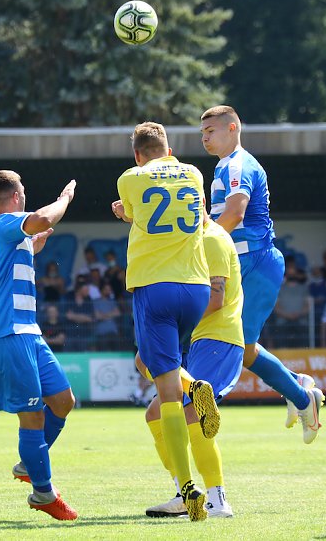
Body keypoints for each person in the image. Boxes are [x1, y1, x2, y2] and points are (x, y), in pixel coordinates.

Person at [200, 105, 323, 443]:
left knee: (228, 340)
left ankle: (298, 393)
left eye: (211, 131)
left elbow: (236, 213)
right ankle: (299, 390)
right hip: (245, 262)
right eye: (202, 133)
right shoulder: (225, 167)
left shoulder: (238, 164)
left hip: (252, 260)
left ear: (233, 128)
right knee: (245, 347)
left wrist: (200, 244)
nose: (205, 138)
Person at [112, 121, 213, 520]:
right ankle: (196, 384)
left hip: (155, 288)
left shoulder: (130, 179)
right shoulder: (193, 172)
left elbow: (140, 215)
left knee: (166, 391)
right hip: (196, 287)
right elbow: (193, 217)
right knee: (149, 361)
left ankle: (187, 487)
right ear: (168, 149)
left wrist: (125, 215)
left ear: (138, 154)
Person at [0, 170, 79, 521]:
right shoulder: (4, 222)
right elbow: (43, 218)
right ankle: (43, 492)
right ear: (16, 197)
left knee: (63, 402)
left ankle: (30, 463)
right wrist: (64, 198)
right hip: (9, 334)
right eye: (23, 192)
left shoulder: (2, 233)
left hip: (28, 333)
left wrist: (30, 248)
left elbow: (10, 265)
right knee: (33, 417)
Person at [141, 219, 246, 519]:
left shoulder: (212, 239)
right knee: (156, 412)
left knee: (190, 414)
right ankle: (185, 493)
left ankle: (217, 500)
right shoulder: (193, 239)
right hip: (200, 337)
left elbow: (216, 299)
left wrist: (172, 324)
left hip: (219, 337)